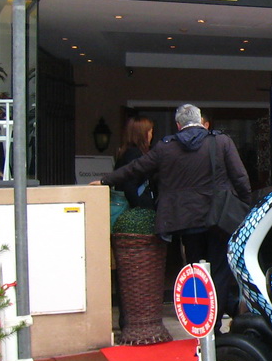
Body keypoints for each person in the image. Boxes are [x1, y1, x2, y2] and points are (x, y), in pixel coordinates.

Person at [95, 104, 251, 325]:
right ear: (201, 121)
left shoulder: (166, 147)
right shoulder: (221, 141)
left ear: (178, 125)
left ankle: (201, 321)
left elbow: (136, 168)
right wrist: (245, 205)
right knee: (219, 270)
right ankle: (214, 325)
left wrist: (105, 180)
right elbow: (240, 177)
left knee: (195, 270)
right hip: (220, 217)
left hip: (186, 220)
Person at [114, 116, 156, 209]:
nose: (151, 135)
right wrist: (138, 208)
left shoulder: (125, 152)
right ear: (142, 134)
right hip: (138, 209)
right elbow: (130, 185)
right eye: (150, 131)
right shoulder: (134, 154)